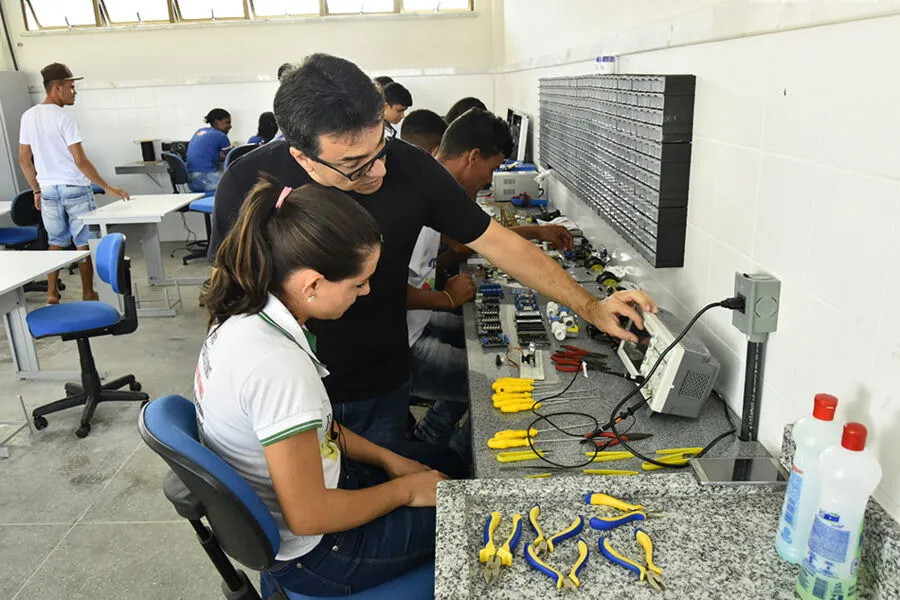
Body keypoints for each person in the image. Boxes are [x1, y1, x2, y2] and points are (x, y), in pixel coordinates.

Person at [208, 53, 657, 448]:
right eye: (352, 165)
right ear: (303, 157)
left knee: (388, 475)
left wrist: (591, 306)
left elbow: (499, 244)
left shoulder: (410, 166)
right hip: (291, 393)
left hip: (380, 378)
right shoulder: (247, 183)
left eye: (380, 145)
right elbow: (232, 301)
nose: (378, 169)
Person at [198, 177, 463, 596]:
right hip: (317, 552)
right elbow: (308, 515)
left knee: (440, 461)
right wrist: (405, 490)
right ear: (312, 284)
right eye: (358, 283)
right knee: (474, 511)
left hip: (315, 494)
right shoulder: (276, 364)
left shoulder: (245, 313)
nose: (367, 290)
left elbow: (321, 428)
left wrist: (388, 460)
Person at [402, 108, 574, 452]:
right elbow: (384, 289)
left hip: (415, 322)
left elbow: (472, 238)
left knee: (483, 346)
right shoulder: (417, 201)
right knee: (500, 382)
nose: (490, 180)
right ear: (473, 157)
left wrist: (535, 230)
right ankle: (453, 460)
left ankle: (432, 435)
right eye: (492, 169)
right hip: (402, 343)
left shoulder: (435, 190)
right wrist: (446, 300)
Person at [18, 62, 130, 305]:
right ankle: (88, 292)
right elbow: (80, 161)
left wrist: (37, 189)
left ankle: (51, 293)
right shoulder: (65, 118)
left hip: (47, 190)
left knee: (55, 242)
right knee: (83, 243)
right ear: (56, 88)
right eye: (71, 86)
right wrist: (108, 187)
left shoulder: (28, 116)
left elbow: (24, 159)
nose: (74, 91)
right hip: (74, 189)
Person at [186, 108, 232, 192]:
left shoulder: (200, 131)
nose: (230, 126)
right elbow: (230, 156)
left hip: (191, 180)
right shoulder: (221, 136)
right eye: (227, 122)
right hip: (205, 179)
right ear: (217, 122)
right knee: (234, 186)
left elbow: (207, 154)